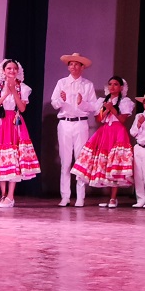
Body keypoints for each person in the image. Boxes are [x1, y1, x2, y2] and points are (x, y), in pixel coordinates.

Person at [0, 59, 40, 207]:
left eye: (14, 69)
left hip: (14, 123)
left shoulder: (23, 88)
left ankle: (11, 196)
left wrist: (14, 92)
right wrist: (5, 94)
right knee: (1, 158)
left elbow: (22, 108)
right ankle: (4, 194)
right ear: (4, 70)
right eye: (9, 69)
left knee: (13, 158)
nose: (12, 71)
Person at [71, 76, 135, 207]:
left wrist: (112, 108)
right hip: (105, 132)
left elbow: (122, 119)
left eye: (116, 84)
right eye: (110, 84)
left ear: (121, 87)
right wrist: (106, 109)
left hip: (117, 133)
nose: (112, 87)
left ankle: (113, 198)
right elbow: (98, 119)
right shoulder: (103, 101)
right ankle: (108, 197)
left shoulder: (125, 101)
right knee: (105, 163)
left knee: (114, 163)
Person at [51, 52, 97, 207]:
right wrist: (61, 100)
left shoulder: (87, 85)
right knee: (65, 161)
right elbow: (54, 103)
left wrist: (82, 103)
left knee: (80, 160)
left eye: (77, 64)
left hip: (80, 123)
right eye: (71, 64)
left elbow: (94, 107)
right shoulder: (62, 82)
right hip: (64, 123)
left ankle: (80, 197)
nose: (74, 66)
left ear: (82, 67)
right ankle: (65, 196)